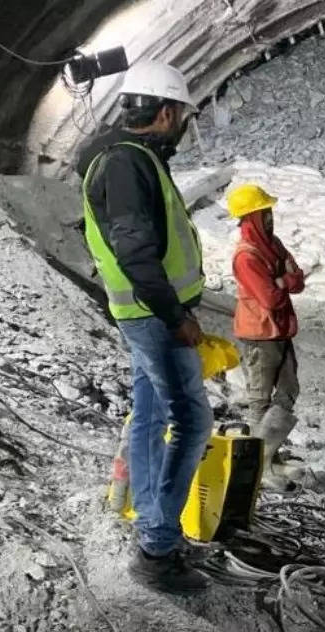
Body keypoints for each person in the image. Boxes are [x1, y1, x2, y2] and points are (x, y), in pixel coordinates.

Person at [77, 61, 211, 593]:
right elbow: (134, 249)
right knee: (192, 421)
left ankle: (147, 518)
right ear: (167, 111)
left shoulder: (131, 159)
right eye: (181, 116)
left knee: (150, 416)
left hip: (144, 314)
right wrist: (176, 317)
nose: (182, 126)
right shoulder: (127, 165)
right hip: (155, 318)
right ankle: (157, 547)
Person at [227, 184, 306, 489]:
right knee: (260, 399)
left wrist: (282, 279)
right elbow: (270, 298)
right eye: (265, 212)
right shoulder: (246, 256)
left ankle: (269, 457)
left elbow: (297, 280)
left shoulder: (272, 244)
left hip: (280, 330)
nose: (270, 217)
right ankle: (258, 467)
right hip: (259, 333)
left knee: (288, 391)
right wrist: (284, 281)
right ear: (251, 217)